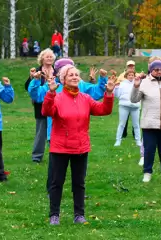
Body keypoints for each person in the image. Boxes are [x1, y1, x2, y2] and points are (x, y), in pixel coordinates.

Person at [42, 64, 115, 225]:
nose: (75, 77)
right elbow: (46, 111)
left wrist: (108, 93)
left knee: (79, 183)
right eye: (70, 75)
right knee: (56, 182)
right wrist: (51, 93)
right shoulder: (58, 97)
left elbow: (104, 110)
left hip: (80, 147)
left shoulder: (85, 98)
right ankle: (54, 215)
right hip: (60, 147)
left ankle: (79, 215)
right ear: (63, 79)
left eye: (76, 74)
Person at [28, 57, 108, 193]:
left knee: (78, 168)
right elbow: (36, 95)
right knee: (55, 167)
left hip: (77, 133)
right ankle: (52, 190)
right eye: (65, 70)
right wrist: (35, 81)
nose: (72, 74)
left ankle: (78, 191)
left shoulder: (81, 85)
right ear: (60, 73)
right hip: (56, 132)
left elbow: (96, 93)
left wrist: (102, 80)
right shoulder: (52, 86)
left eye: (72, 69)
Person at [25, 49, 57, 163]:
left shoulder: (57, 71)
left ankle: (56, 154)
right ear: (42, 59)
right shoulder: (37, 71)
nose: (49, 58)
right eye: (47, 56)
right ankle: (37, 157)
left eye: (51, 56)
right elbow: (28, 88)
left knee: (56, 131)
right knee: (41, 132)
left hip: (56, 106)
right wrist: (31, 78)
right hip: (41, 106)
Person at [114, 69, 141, 147]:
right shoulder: (122, 84)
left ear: (134, 76)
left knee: (136, 125)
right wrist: (116, 88)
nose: (131, 76)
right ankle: (118, 140)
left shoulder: (138, 84)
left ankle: (138, 141)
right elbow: (117, 95)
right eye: (129, 75)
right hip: (124, 106)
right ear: (126, 76)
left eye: (132, 75)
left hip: (135, 107)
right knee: (122, 124)